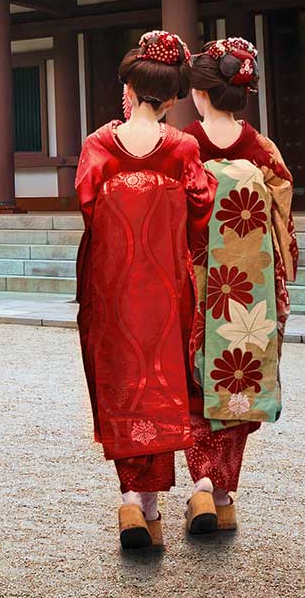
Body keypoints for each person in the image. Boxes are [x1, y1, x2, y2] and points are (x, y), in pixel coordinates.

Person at [75, 30, 215, 550]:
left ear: (128, 87)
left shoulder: (97, 145)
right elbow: (200, 212)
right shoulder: (182, 146)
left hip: (113, 288)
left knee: (126, 381)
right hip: (168, 284)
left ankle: (138, 503)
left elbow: (90, 207)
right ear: (175, 97)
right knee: (173, 377)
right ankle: (202, 487)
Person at [181, 37, 298, 534]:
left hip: (198, 281)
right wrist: (282, 274)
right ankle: (223, 492)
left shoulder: (182, 143)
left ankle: (202, 488)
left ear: (200, 94)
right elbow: (281, 219)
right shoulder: (261, 149)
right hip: (250, 287)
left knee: (194, 376)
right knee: (238, 377)